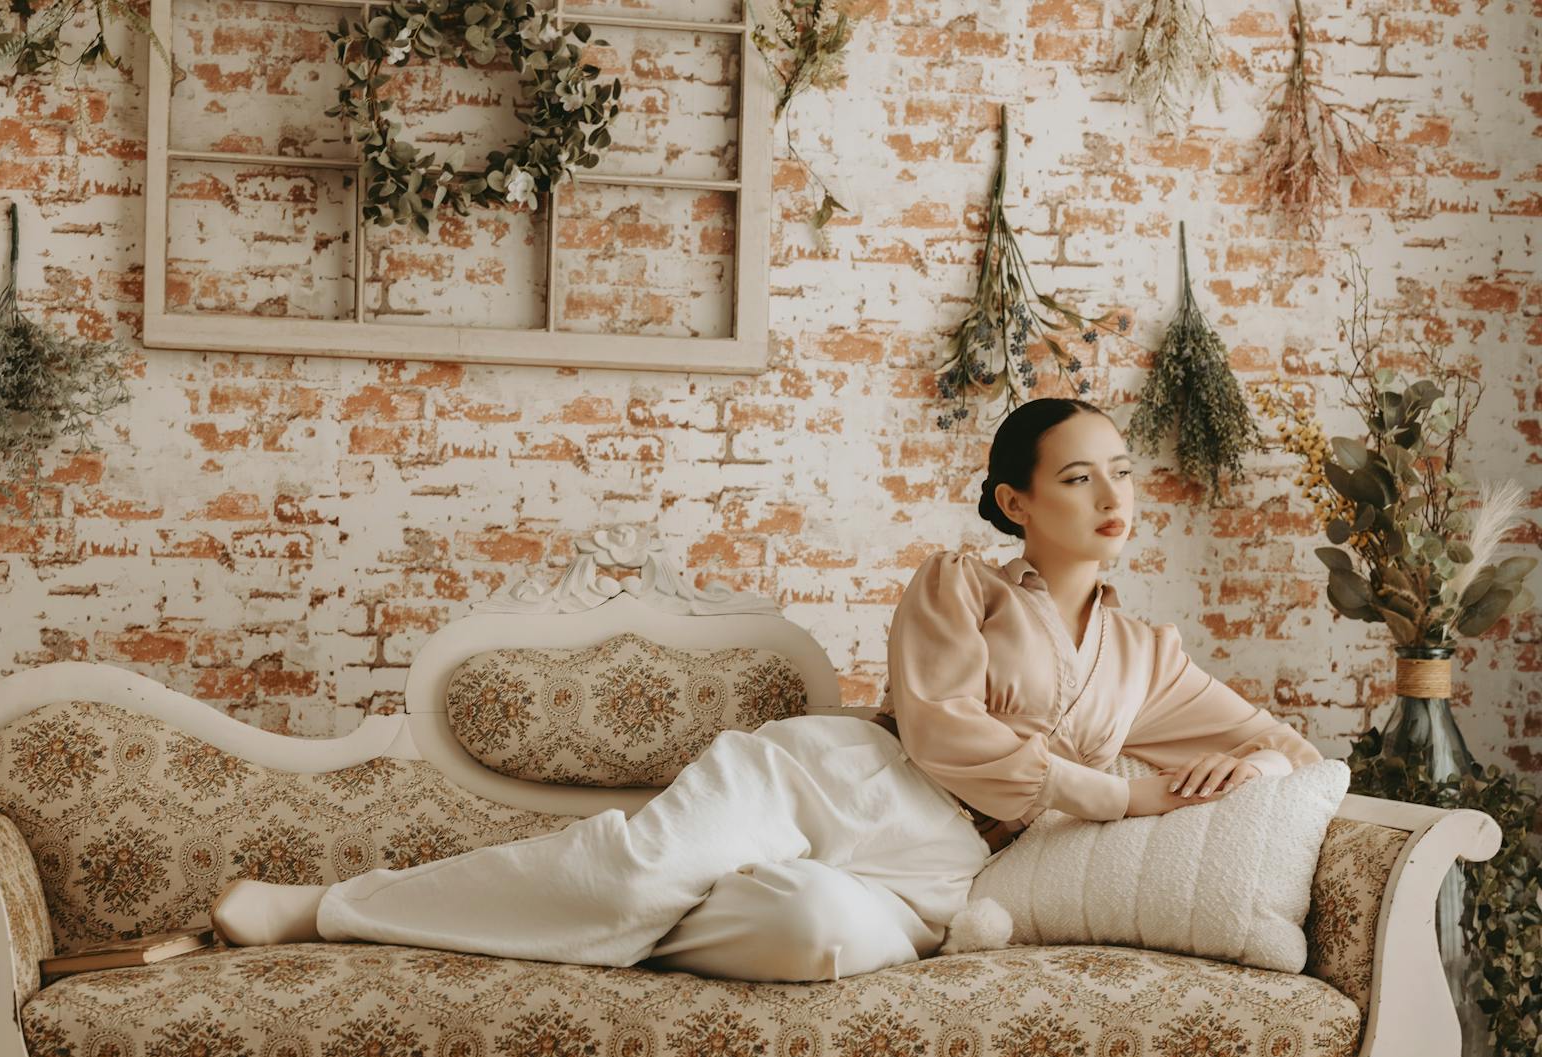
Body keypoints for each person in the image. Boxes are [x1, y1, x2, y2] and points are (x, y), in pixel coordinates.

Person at [211, 397, 1323, 980]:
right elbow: (943, 732)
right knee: (628, 872)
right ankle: (328, 908)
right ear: (1016, 500)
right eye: (1079, 475)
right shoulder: (958, 587)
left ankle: (601, 917)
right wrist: (1117, 794)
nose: (1113, 492)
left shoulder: (1151, 656)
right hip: (844, 784)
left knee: (809, 935)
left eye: (1123, 469)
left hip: (942, 871)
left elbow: (1290, 747)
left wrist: (1256, 765)